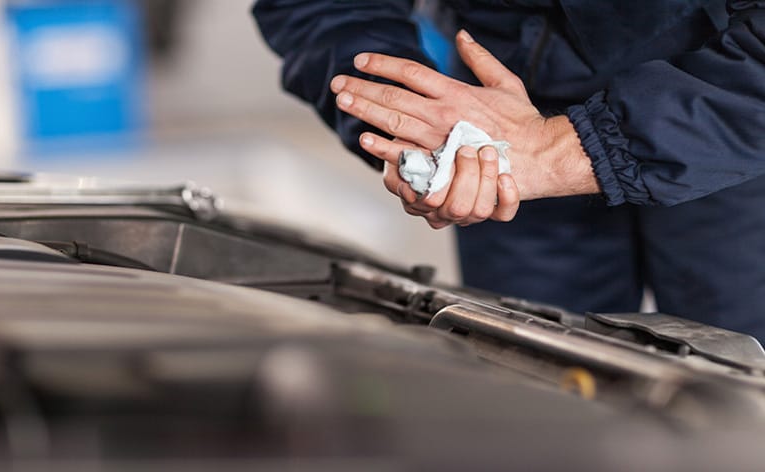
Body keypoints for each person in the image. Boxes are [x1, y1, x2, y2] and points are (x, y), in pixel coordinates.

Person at [252, 0, 765, 342]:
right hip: (498, 117)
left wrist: (563, 150)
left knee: (743, 380)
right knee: (537, 384)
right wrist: (420, 132)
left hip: (728, 104)